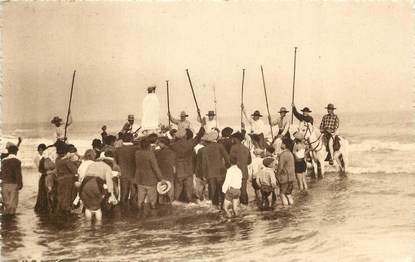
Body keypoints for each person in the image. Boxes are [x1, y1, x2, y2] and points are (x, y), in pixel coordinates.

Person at [170, 123, 205, 203]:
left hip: (179, 170)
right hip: (189, 169)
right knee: (189, 189)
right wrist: (202, 127)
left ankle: (175, 202)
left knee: (178, 189)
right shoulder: (189, 144)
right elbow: (198, 137)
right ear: (185, 136)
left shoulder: (173, 145)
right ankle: (189, 201)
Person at [78, 153, 117, 221]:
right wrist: (112, 195)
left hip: (85, 184)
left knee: (88, 207)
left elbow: (84, 175)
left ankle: (88, 225)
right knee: (97, 208)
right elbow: (109, 182)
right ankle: (98, 225)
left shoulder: (93, 164)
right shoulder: (107, 167)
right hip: (95, 184)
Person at [200, 132, 230, 208]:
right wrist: (227, 167)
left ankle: (215, 207)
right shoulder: (220, 146)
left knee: (213, 191)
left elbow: (203, 163)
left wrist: (204, 174)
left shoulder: (205, 149)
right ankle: (223, 206)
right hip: (221, 172)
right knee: (222, 190)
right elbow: (227, 159)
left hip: (210, 173)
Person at [135, 138, 164, 210]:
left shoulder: (137, 153)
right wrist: (161, 178)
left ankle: (139, 211)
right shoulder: (150, 154)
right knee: (152, 198)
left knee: (140, 196)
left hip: (140, 178)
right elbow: (155, 167)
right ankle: (153, 213)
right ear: (148, 146)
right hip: (150, 179)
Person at [114, 139, 139, 209]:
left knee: (124, 194)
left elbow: (116, 163)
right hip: (134, 173)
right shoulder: (137, 148)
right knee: (134, 194)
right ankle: (134, 211)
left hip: (123, 174)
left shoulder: (118, 150)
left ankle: (123, 211)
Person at [54, 141, 78, 214]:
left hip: (60, 179)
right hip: (68, 180)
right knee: (68, 196)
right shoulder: (67, 161)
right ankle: (67, 210)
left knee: (61, 196)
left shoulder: (57, 160)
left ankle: (61, 210)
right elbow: (75, 170)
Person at [229, 131, 251, 205]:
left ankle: (237, 206)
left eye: (233, 138)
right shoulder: (246, 148)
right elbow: (249, 161)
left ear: (236, 139)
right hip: (244, 171)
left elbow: (231, 160)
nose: (232, 140)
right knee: (244, 190)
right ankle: (245, 204)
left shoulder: (233, 147)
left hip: (236, 172)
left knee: (235, 190)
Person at [0, 145, 23, 216]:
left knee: (6, 204)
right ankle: (12, 223)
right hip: (13, 184)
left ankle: (7, 224)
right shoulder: (17, 161)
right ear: (16, 152)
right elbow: (18, 174)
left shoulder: (3, 161)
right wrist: (20, 184)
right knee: (13, 205)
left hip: (4, 185)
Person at [155, 136, 176, 203]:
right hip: (170, 175)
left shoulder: (157, 152)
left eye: (159, 143)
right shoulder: (172, 152)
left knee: (161, 192)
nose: (158, 144)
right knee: (170, 194)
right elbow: (174, 166)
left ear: (163, 143)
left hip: (160, 175)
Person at [276, 138, 296, 207]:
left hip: (285, 178)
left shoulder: (283, 154)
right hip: (291, 177)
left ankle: (286, 209)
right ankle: (292, 207)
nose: (281, 144)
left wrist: (277, 176)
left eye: (282, 143)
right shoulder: (290, 153)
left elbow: (280, 167)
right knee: (288, 194)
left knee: (282, 194)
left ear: (285, 145)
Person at [34, 144, 49, 213]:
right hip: (41, 175)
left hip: (43, 175)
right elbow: (39, 168)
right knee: (42, 191)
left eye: (42, 150)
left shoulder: (45, 157)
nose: (40, 151)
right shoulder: (37, 158)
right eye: (39, 150)